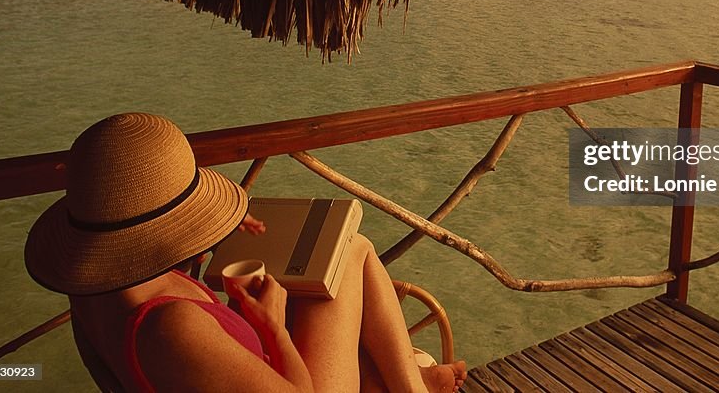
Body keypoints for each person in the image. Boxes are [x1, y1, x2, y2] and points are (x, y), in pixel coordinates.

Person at [24, 112, 467, 392]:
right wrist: (274, 326)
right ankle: (413, 387)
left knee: (358, 327)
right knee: (352, 248)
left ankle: (409, 378)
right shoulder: (173, 327)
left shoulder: (90, 291)